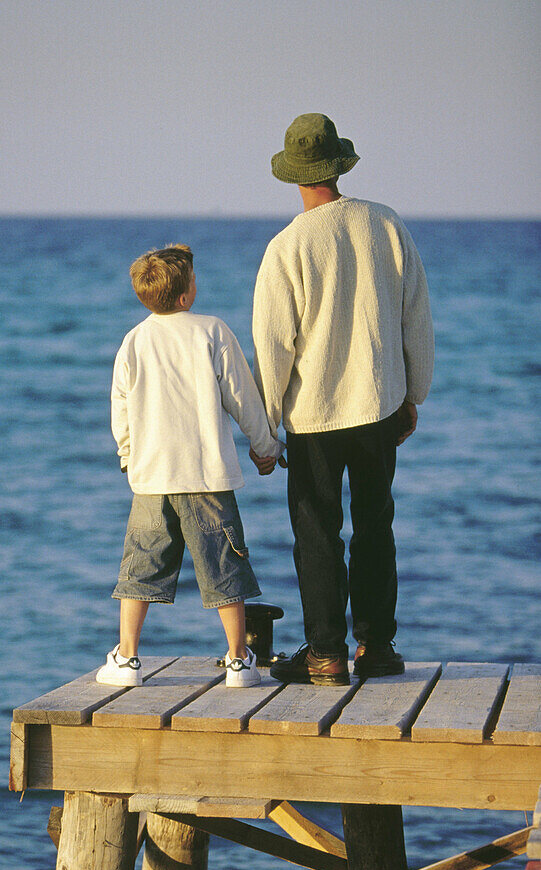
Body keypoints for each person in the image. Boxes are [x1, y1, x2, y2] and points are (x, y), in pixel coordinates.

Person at [251, 113, 434, 686]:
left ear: (294, 176)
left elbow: (273, 344)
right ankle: (377, 649)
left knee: (316, 532)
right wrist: (413, 396)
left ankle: (325, 653)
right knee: (376, 526)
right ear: (339, 165)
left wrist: (268, 421)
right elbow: (415, 319)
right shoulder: (386, 224)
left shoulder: (288, 245)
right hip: (379, 405)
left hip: (315, 414)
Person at [97, 243, 283, 689]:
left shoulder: (134, 340)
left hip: (152, 476)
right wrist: (266, 447)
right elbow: (242, 397)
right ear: (184, 296)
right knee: (225, 565)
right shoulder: (212, 331)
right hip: (207, 475)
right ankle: (239, 661)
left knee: (140, 565)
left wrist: (128, 454)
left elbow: (120, 407)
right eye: (194, 280)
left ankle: (127, 658)